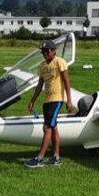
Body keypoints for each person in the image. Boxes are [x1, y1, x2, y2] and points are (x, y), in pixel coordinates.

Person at [24, 40, 74, 168]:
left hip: (57, 100)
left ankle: (39, 158)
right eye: (43, 52)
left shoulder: (60, 62)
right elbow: (40, 85)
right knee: (53, 127)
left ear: (54, 51)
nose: (45, 54)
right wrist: (32, 101)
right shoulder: (42, 66)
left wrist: (69, 100)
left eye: (47, 51)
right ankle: (56, 157)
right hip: (47, 100)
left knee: (47, 128)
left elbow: (67, 82)